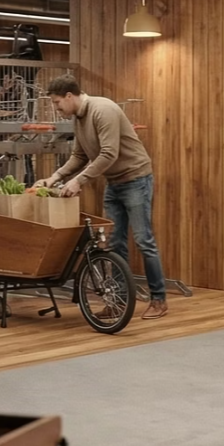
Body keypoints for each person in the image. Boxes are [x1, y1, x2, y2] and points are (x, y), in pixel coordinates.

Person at [39, 75, 168, 319]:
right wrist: (54, 178)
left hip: (136, 179)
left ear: (70, 96)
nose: (56, 108)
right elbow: (79, 156)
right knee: (114, 244)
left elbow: (109, 153)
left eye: (57, 103)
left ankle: (159, 300)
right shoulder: (78, 118)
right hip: (114, 183)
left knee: (144, 241)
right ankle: (119, 302)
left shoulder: (103, 110)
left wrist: (79, 181)